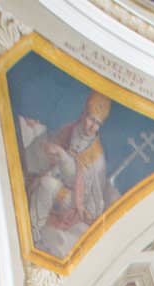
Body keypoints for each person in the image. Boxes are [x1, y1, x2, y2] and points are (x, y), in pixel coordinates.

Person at [21, 91, 118, 256]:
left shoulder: (97, 156)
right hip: (55, 178)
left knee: (47, 185)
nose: (92, 126)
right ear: (83, 115)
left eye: (97, 123)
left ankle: (33, 231)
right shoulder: (70, 130)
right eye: (90, 118)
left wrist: (63, 158)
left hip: (76, 201)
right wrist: (49, 150)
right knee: (43, 180)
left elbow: (89, 192)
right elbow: (50, 143)